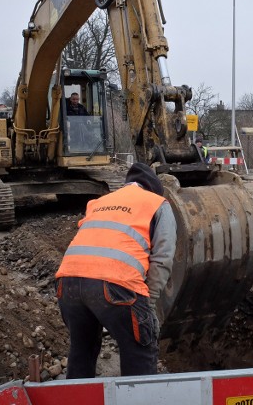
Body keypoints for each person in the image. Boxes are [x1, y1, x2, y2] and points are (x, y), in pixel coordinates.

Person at [55, 162, 177, 378]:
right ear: (154, 188)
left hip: (68, 284)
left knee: (81, 351)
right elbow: (163, 257)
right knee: (140, 351)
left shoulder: (100, 201)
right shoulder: (157, 203)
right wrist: (148, 303)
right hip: (116, 284)